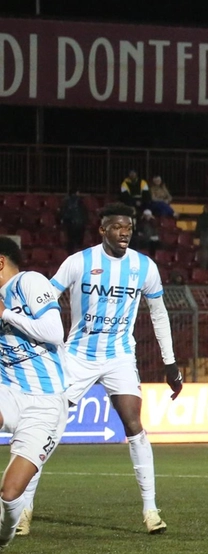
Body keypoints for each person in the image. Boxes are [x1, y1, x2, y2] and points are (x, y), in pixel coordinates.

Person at [20, 204, 183, 536]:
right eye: (118, 227)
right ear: (102, 230)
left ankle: (151, 511)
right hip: (76, 356)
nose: (125, 232)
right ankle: (23, 509)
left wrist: (170, 362)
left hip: (119, 356)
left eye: (129, 227)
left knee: (135, 424)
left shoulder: (144, 266)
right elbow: (47, 298)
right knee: (45, 425)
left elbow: (159, 314)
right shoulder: (79, 262)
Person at [0, 239, 70, 550]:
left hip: (45, 403)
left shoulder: (28, 281)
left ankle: (4, 534)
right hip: (9, 392)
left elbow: (55, 333)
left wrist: (7, 316)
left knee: (10, 493)